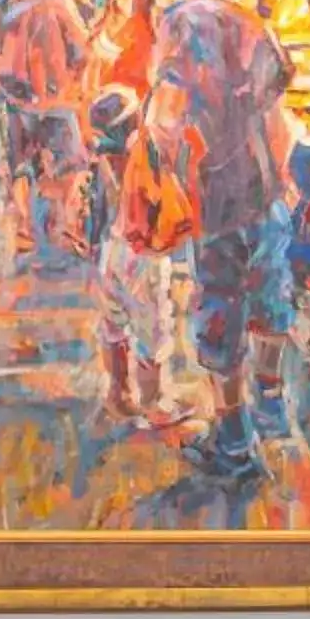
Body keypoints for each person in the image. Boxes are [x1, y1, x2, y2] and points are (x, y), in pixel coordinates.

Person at [149, 0, 297, 480]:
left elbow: (168, 114)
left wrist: (160, 165)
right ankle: (273, 402)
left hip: (213, 192)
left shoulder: (181, 23)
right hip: (264, 188)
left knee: (219, 311)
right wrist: (281, 177)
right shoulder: (253, 26)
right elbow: (277, 119)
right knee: (271, 299)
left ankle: (234, 440)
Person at [87, 84, 197, 431]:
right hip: (141, 253)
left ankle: (118, 394)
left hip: (111, 250)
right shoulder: (143, 151)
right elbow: (153, 197)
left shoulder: (102, 158)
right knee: (153, 327)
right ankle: (153, 402)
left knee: (113, 323)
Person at [0, 0, 91, 253]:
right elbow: (82, 49)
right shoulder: (57, 1)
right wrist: (73, 81)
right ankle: (62, 226)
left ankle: (22, 229)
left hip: (15, 97)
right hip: (55, 97)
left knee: (20, 165)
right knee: (71, 164)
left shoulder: (4, 2)